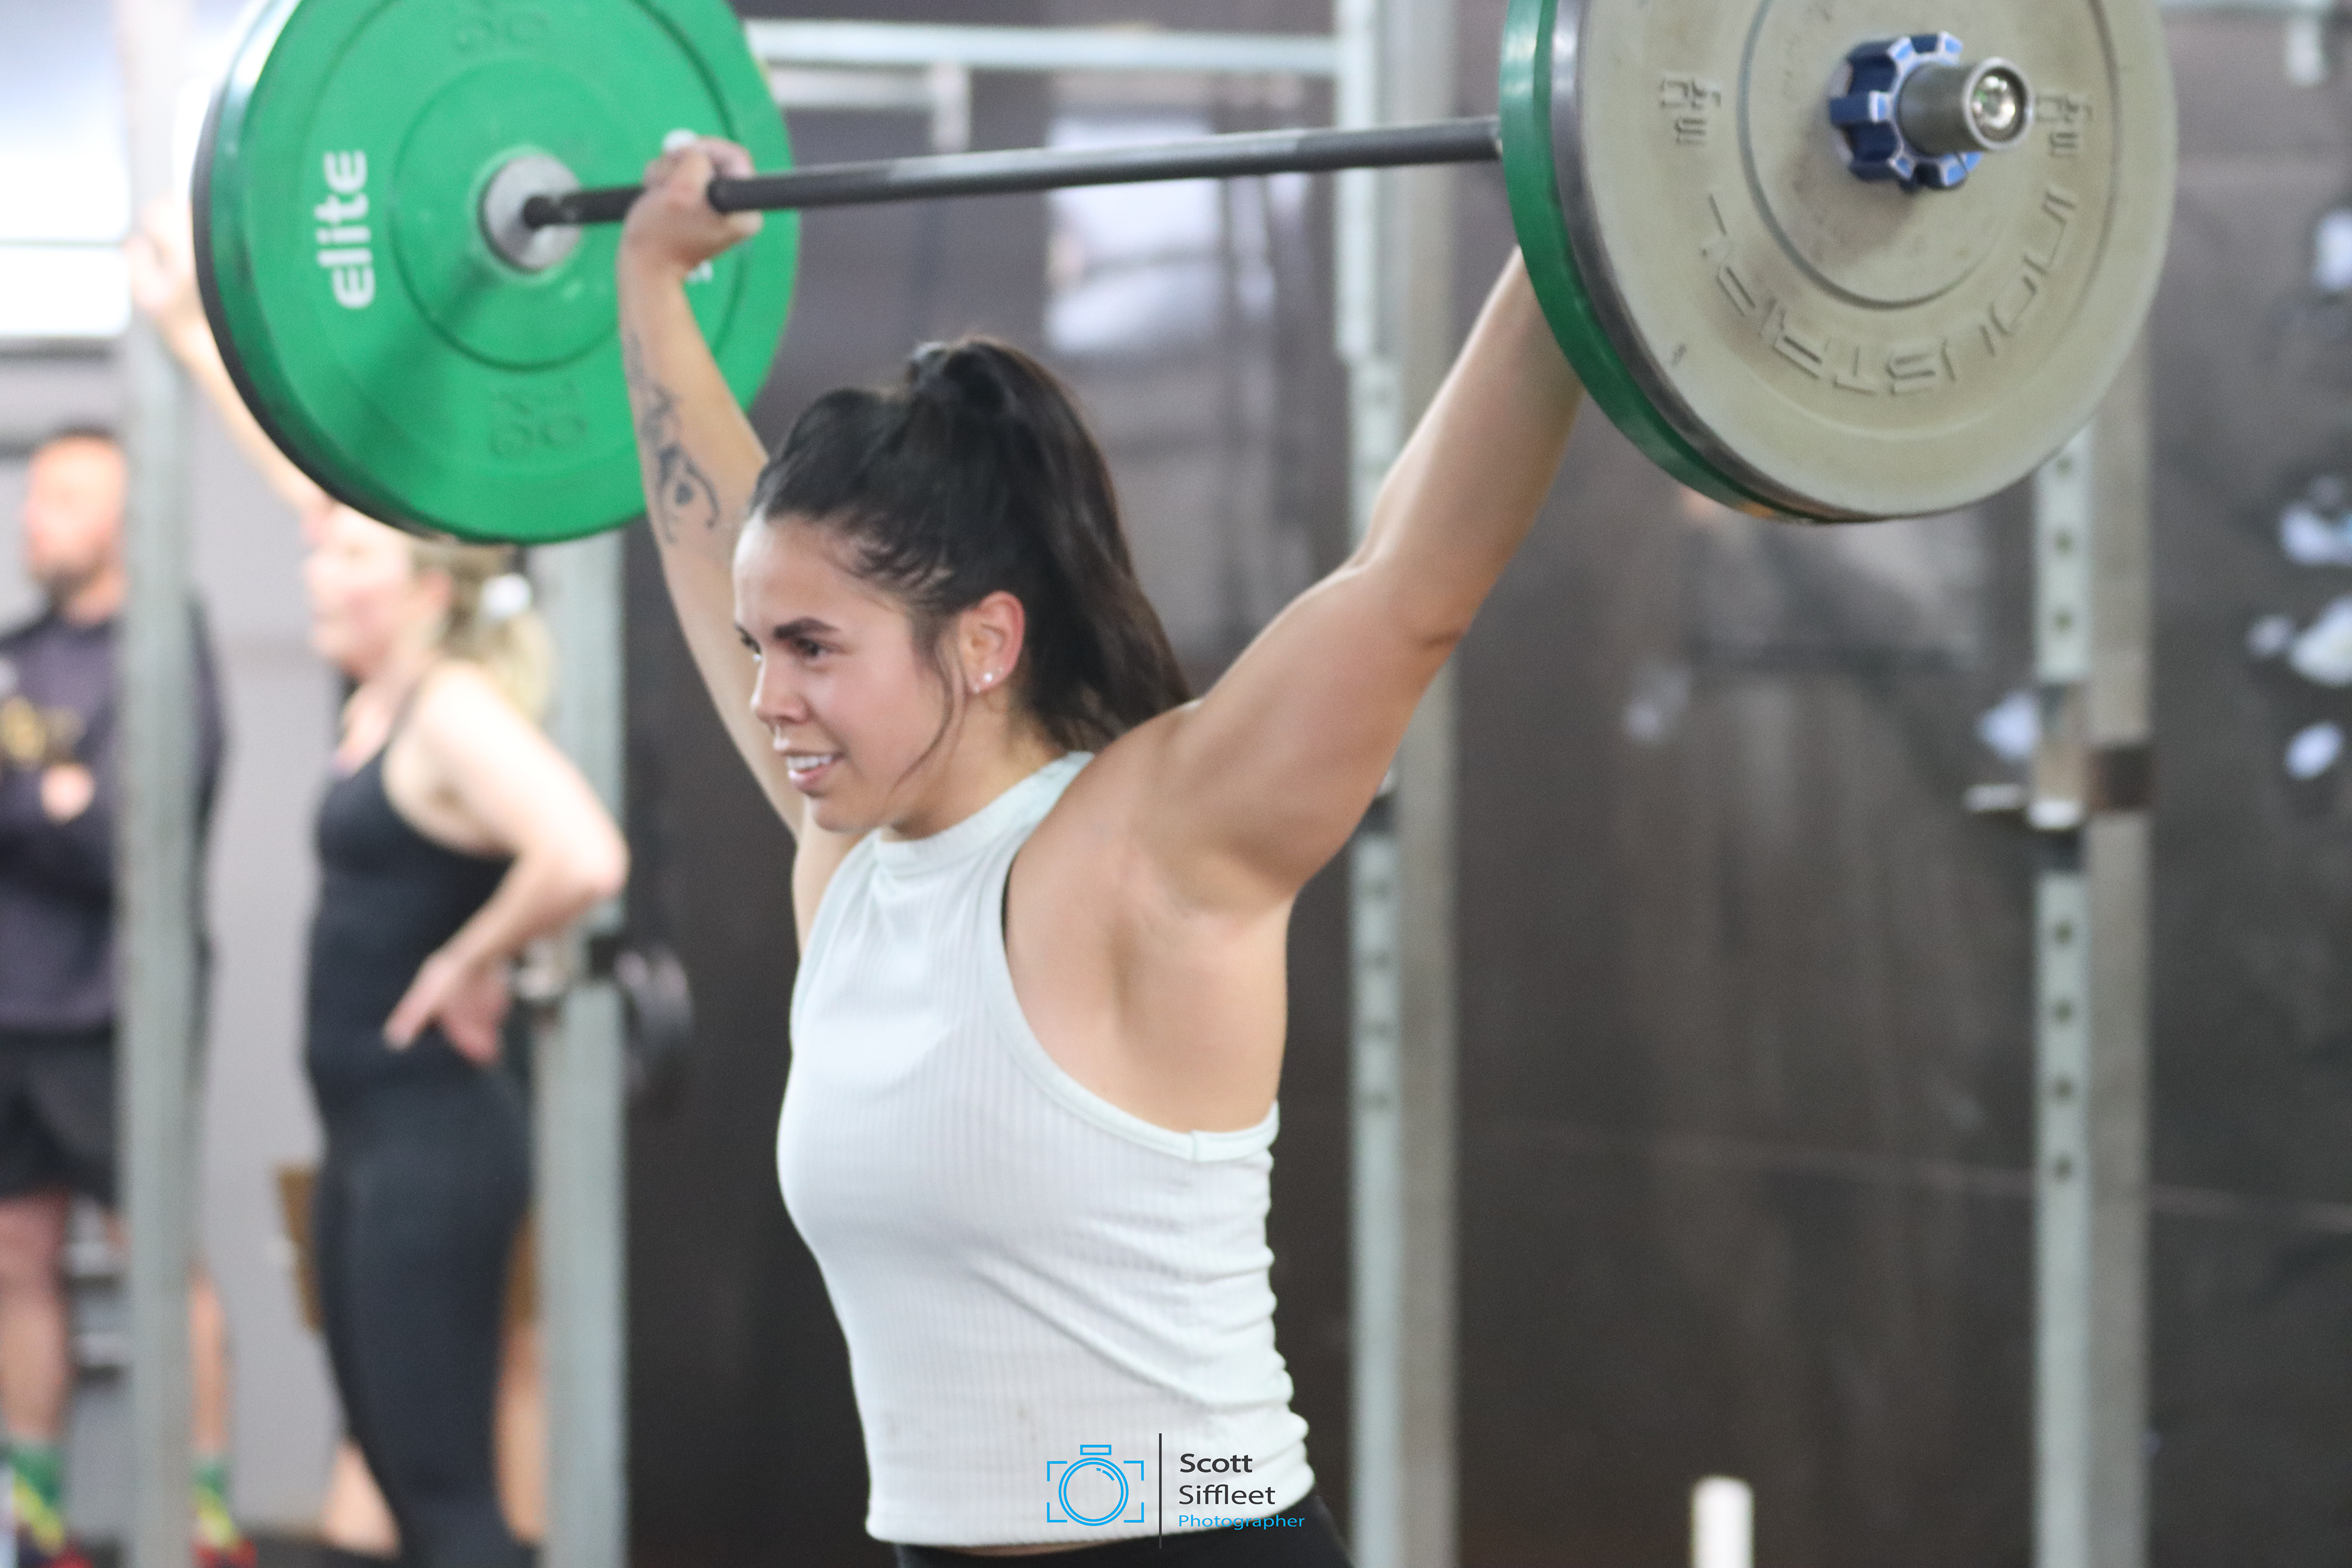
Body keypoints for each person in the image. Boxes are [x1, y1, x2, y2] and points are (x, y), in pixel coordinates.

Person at [615, 133, 1583, 1563]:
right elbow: (709, 534)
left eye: (813, 647)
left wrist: (1582, 199)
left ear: (985, 639)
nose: (769, 697)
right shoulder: (855, 863)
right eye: (763, 647)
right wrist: (648, 286)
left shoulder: (1154, 844)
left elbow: (1411, 583)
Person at [130, 216, 628, 1568]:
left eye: (347, 555)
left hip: (433, 1145)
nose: (318, 560)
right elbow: (309, 488)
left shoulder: (455, 705)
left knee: (445, 1495)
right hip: (365, 1137)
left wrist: (469, 959)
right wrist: (191, 332)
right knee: (408, 1489)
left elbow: (585, 854)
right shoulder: (389, 689)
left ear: (418, 591)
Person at [0, 424, 252, 1568]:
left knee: (156, 1253)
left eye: (64, 496)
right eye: (35, 495)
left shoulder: (165, 649)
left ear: (124, 519)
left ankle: (202, 1519)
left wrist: (49, 807)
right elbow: (70, 815)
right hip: (13, 1011)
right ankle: (36, 1520)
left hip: (116, 1010)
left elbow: (129, 836)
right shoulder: (17, 654)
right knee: (17, 1255)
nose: (34, 515)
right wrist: (49, 798)